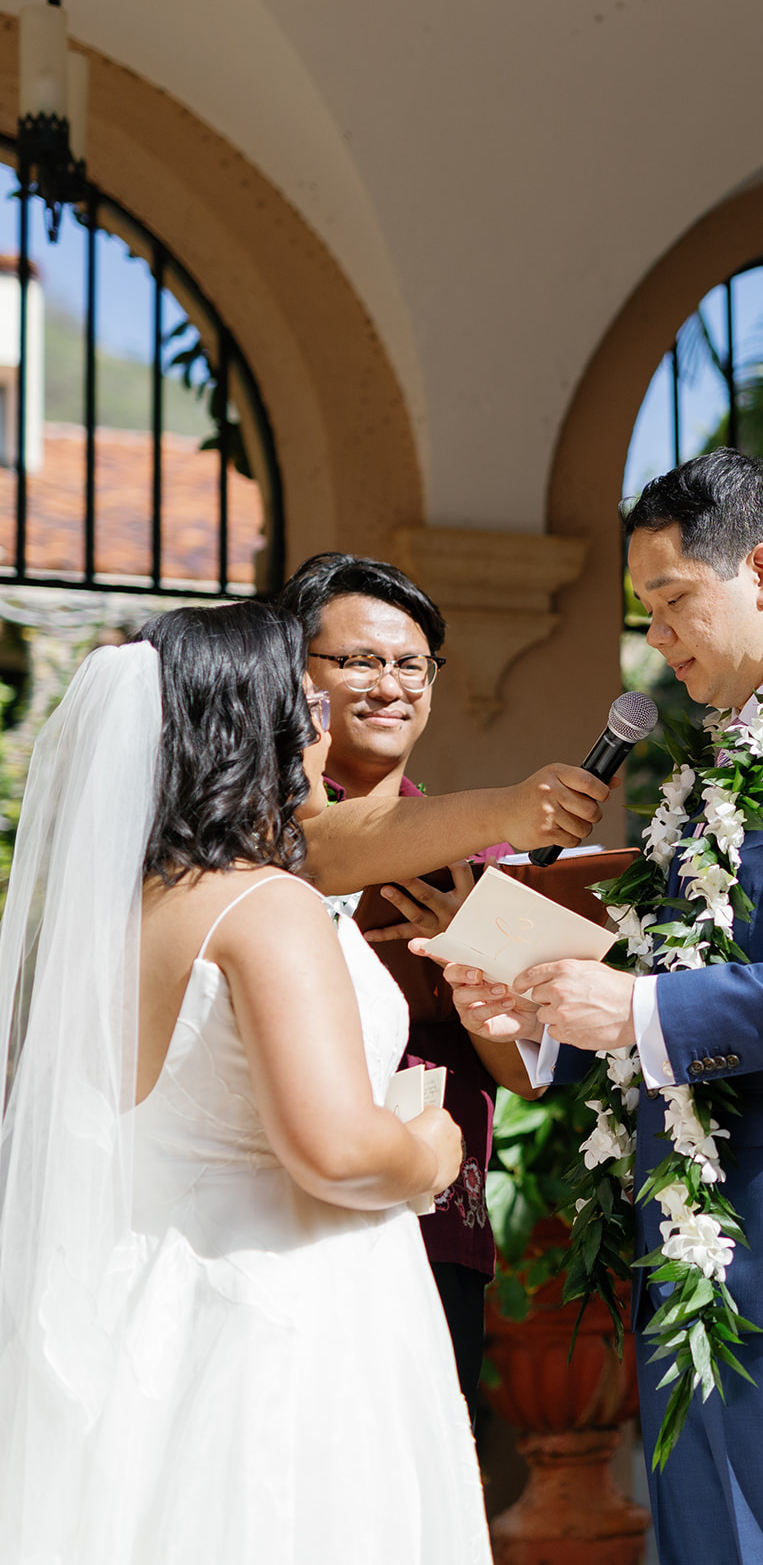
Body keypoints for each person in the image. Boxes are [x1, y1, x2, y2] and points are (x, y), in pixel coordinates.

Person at [437, 449, 763, 1565]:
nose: (657, 640)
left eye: (673, 601)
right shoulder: (709, 773)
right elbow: (658, 993)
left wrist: (636, 1010)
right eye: (647, 612)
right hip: (690, 1244)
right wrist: (532, 1016)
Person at [0, 599, 606, 1563]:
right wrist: (430, 1146)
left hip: (155, 1298)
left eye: (413, 665)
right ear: (255, 728)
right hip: (284, 1319)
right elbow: (333, 1147)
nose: (332, 716)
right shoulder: (268, 906)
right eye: (312, 697)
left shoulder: (120, 912)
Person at [277, 553, 542, 1423]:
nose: (390, 686)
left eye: (410, 664)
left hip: (435, 1222)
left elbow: (523, 1071)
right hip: (286, 1207)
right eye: (357, 661)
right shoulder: (254, 829)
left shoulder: (482, 862)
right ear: (295, 672)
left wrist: (475, 969)